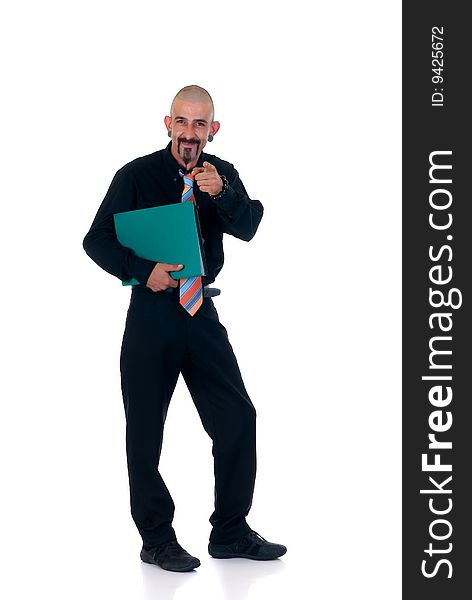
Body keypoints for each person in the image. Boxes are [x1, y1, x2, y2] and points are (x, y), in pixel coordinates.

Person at [83, 85, 286, 572]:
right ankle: (156, 539)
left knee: (238, 417)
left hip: (202, 314)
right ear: (167, 123)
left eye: (200, 124)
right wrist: (139, 269)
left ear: (212, 130)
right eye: (182, 122)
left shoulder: (222, 175)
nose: (190, 133)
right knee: (146, 430)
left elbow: (250, 225)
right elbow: (96, 239)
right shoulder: (136, 175)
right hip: (152, 314)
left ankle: (231, 532)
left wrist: (226, 194)